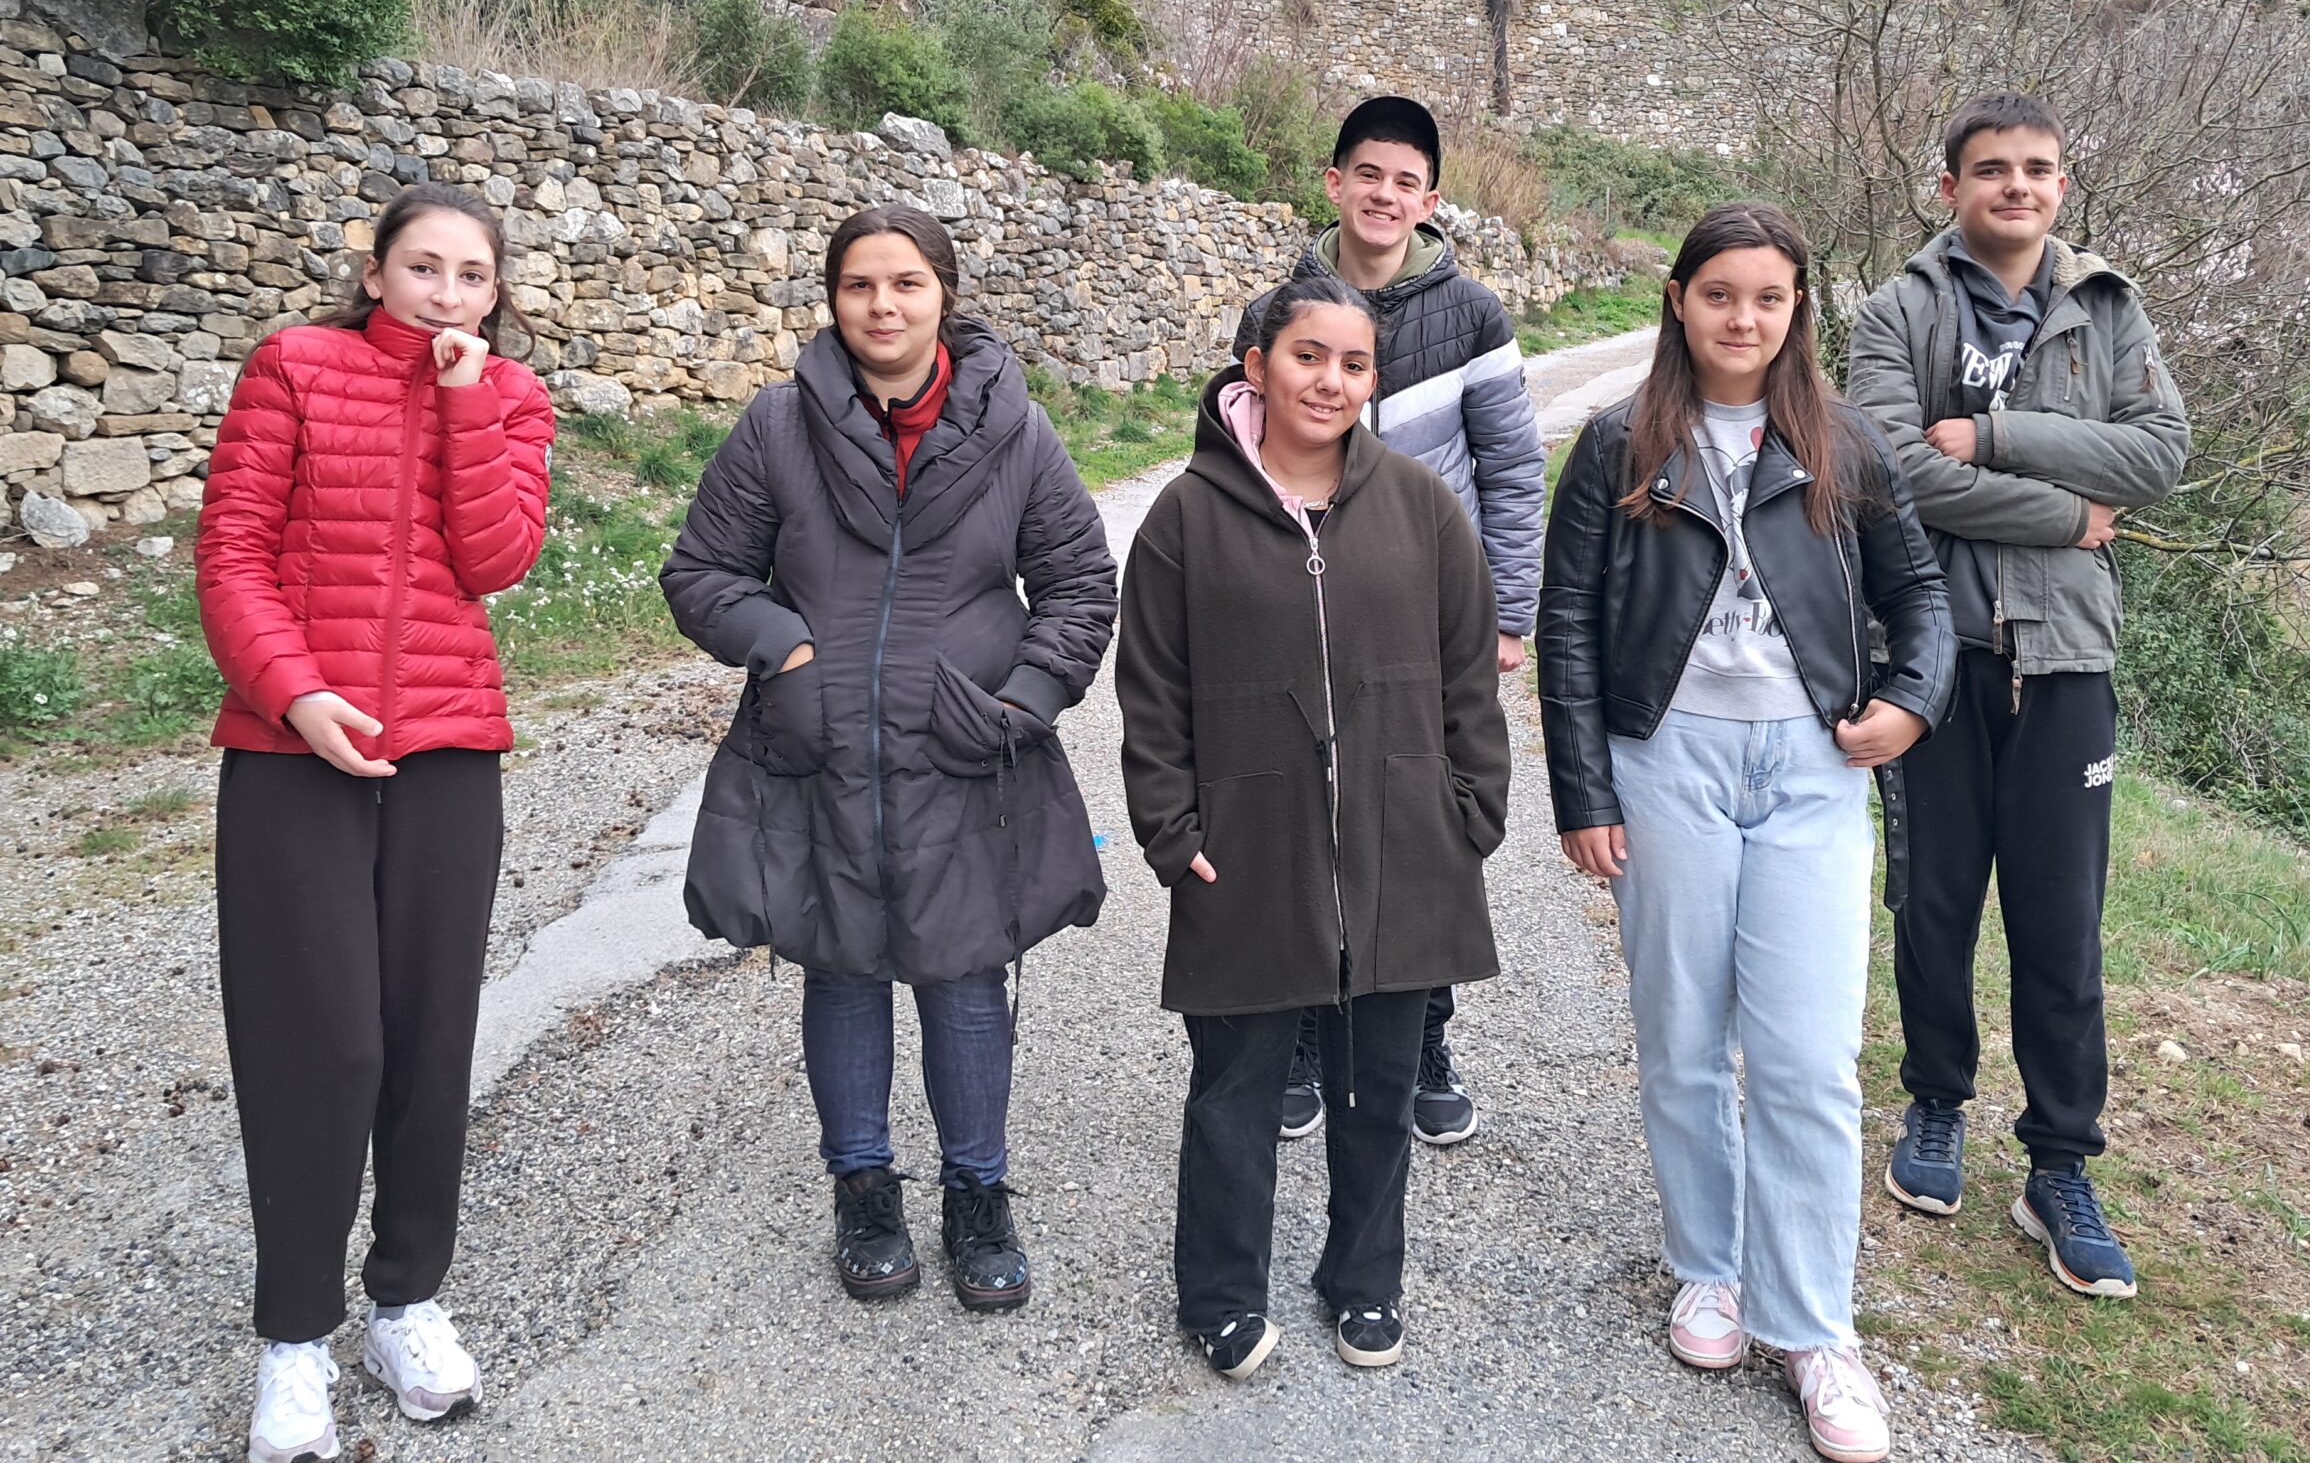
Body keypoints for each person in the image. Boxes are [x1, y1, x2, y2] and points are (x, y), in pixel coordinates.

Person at [1540, 203, 1952, 1463]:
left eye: (1768, 299)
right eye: (1719, 294)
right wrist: (1584, 793)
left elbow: (1916, 594)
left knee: (1808, 1058)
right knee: (1679, 1035)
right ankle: (1708, 1269)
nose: (1742, 319)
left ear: (1796, 312)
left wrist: (1913, 702)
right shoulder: (1620, 444)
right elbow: (1563, 624)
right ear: (1679, 301)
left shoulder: (1844, 444)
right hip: (1665, 761)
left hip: (1811, 770)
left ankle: (1813, 1324)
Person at [661, 203, 1116, 1314]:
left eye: (905, 284)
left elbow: (1077, 585)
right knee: (843, 967)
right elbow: (702, 573)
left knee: (965, 979)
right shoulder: (777, 427)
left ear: (942, 295)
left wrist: (1021, 698)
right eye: (861, 285)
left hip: (967, 752)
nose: (883, 306)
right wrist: (785, 650)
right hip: (818, 750)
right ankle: (861, 1187)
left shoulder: (1016, 429)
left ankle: (978, 1195)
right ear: (833, 300)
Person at [196, 182, 555, 1463]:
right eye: (424, 267)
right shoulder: (293, 368)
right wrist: (295, 697)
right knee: (319, 1047)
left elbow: (497, 557)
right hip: (296, 753)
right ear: (378, 270)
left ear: (495, 290)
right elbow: (231, 554)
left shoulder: (508, 399)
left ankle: (404, 1298)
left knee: (424, 1042)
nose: (447, 292)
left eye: (472, 275)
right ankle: (293, 1336)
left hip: (450, 754)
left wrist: (463, 401)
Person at [1120, 276, 1510, 1381]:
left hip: (1402, 844)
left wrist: (1472, 807)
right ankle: (1219, 1293)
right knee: (1236, 1088)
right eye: (1306, 357)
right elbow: (1149, 693)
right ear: (1256, 364)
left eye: (1352, 363)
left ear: (1372, 378)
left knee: (1377, 1087)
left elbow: (1466, 675)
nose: (1329, 380)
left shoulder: (1421, 506)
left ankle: (1364, 1278)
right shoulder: (1183, 520)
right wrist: (1168, 826)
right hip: (1245, 848)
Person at [1847, 93, 2189, 1302]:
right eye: (1990, 169)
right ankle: (1934, 1106)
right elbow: (1882, 467)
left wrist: (1991, 441)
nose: (2017, 187)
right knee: (1931, 904)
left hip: (2066, 658)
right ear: (1949, 189)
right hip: (1932, 654)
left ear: (2062, 182)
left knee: (2059, 924)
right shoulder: (1897, 309)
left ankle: (2058, 1164)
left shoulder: (2107, 306)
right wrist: (2064, 513)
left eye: (2037, 169)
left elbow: (2157, 454)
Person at [1233, 94, 1541, 1149]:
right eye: (1368, 174)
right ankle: (1310, 1038)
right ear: (1334, 183)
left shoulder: (1475, 314)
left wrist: (1507, 612)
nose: (1384, 196)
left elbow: (1508, 465)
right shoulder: (1276, 311)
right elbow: (1232, 467)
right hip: (1299, 612)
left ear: (1430, 199)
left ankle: (1421, 1039)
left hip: (1427, 616)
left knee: (1426, 834)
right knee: (1306, 821)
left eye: (1405, 181)